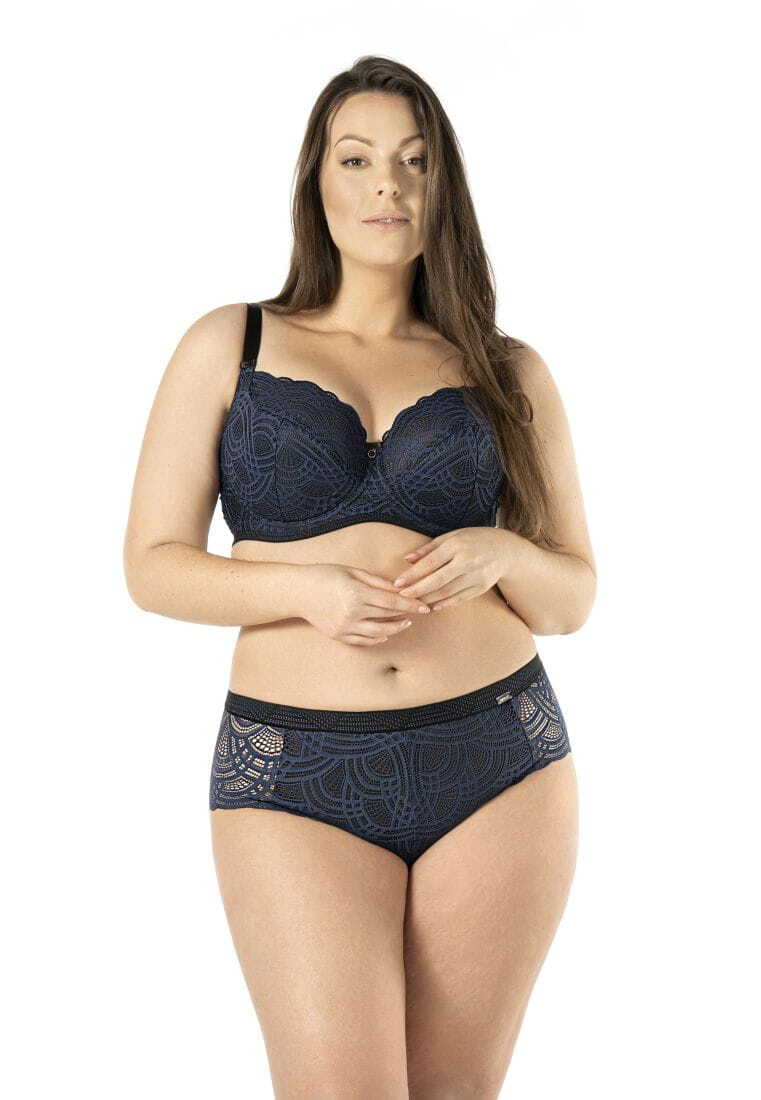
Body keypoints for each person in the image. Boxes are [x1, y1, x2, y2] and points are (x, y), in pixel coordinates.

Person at [123, 55, 596, 1100]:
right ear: (317, 181)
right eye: (357, 158)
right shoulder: (231, 343)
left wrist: (504, 554)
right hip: (294, 773)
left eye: (414, 162)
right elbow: (151, 567)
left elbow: (570, 598)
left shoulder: (506, 368)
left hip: (499, 762)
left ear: (441, 188)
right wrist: (304, 589)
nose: (387, 183)